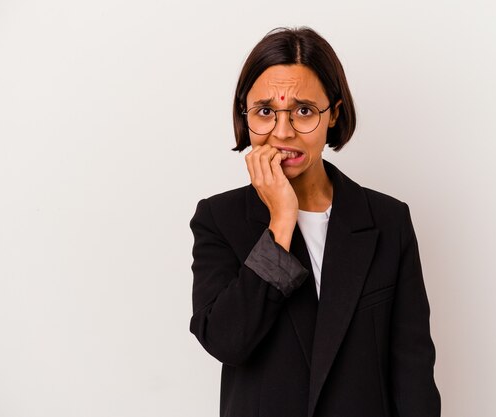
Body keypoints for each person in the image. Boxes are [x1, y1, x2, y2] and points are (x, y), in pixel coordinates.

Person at [189, 27, 441, 417]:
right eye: (266, 112)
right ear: (246, 116)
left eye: (304, 111)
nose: (283, 131)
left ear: (333, 115)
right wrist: (281, 221)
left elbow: (413, 373)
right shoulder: (219, 220)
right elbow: (227, 342)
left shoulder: (388, 220)